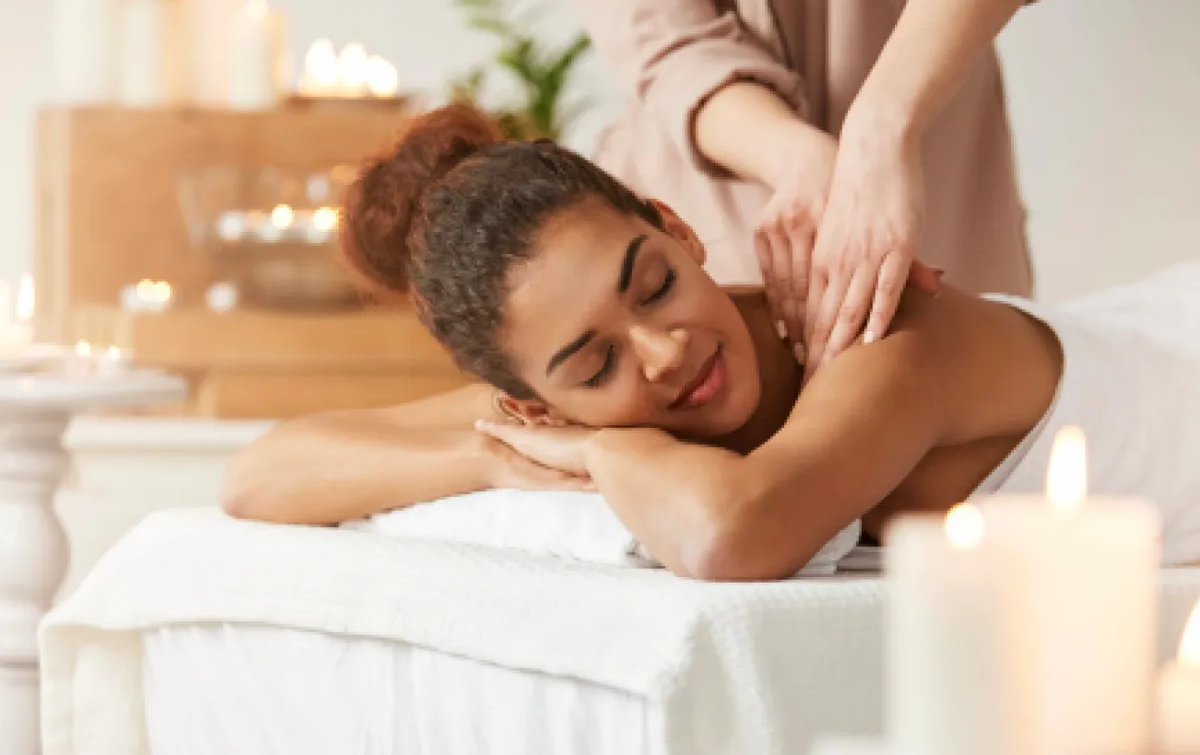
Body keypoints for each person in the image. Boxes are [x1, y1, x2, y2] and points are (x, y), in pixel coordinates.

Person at [221, 106, 1200, 579]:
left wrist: (595, 442)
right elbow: (261, 472)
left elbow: (734, 534)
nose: (663, 349)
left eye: (654, 281)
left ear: (679, 228)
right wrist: (495, 455)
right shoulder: (543, 412)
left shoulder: (879, 334)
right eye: (595, 363)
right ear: (532, 400)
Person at [521, 0, 1094, 376]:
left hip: (938, 214)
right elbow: (674, 55)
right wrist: (807, 165)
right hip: (718, 242)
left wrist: (882, 129)